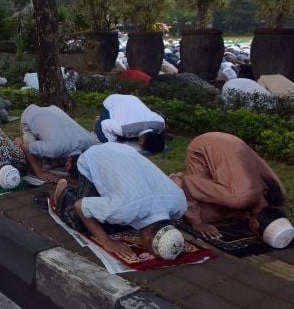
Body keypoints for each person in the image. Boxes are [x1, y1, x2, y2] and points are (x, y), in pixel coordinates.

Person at [52, 142, 187, 260]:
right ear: (146, 236)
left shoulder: (180, 204)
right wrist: (106, 241)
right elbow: (80, 206)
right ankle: (64, 193)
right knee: (86, 222)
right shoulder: (124, 210)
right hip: (95, 156)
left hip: (124, 150)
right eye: (148, 248)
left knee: (120, 220)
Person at [170, 132, 294, 248]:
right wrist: (197, 223)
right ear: (255, 225)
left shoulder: (279, 194)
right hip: (202, 147)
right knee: (203, 213)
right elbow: (190, 182)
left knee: (226, 206)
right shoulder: (238, 198)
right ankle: (174, 181)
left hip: (230, 141)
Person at [15, 104, 97, 183]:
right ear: (67, 165)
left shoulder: (90, 142)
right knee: (34, 163)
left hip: (54, 111)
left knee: (50, 157)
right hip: (31, 114)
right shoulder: (53, 149)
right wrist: (39, 173)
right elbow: (25, 147)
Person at [94, 94, 166, 153]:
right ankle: (98, 121)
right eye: (142, 146)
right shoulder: (125, 128)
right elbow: (105, 124)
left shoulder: (161, 124)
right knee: (105, 139)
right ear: (141, 141)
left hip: (133, 99)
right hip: (112, 101)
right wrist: (114, 145)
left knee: (126, 137)